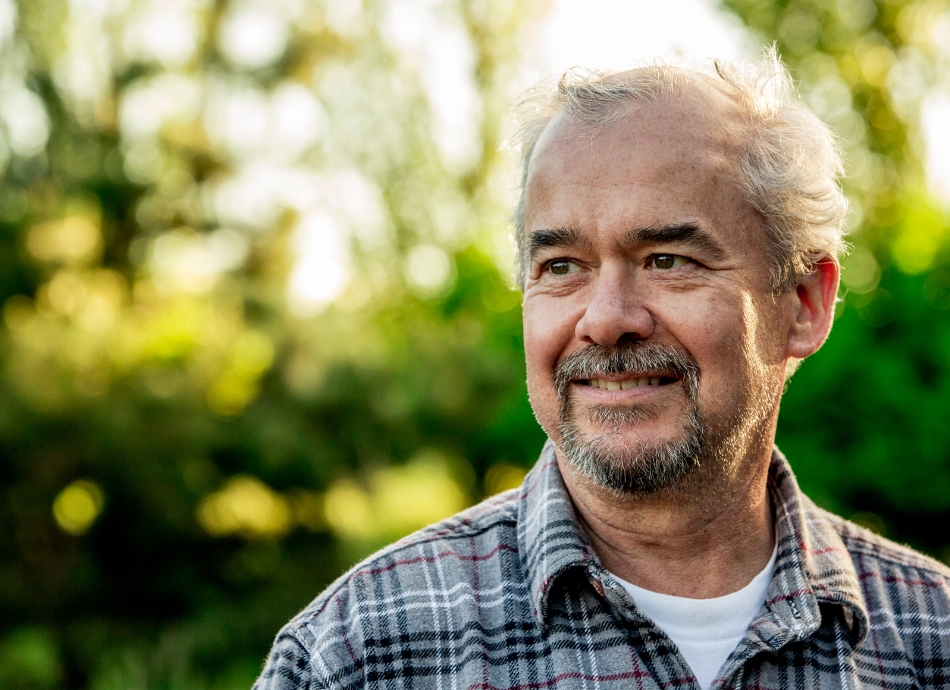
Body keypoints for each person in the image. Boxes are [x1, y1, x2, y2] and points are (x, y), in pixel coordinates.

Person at [253, 53, 950, 690]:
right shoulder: (357, 654)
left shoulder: (933, 641)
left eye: (668, 260)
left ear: (803, 303)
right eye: (561, 268)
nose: (606, 318)